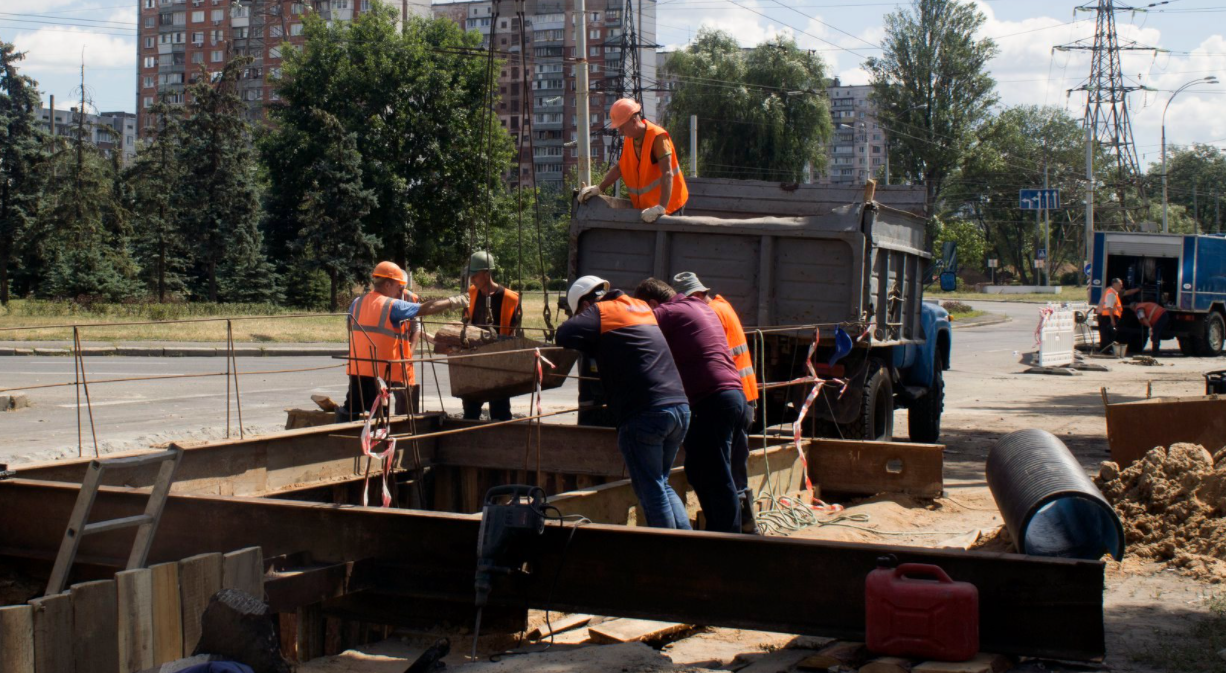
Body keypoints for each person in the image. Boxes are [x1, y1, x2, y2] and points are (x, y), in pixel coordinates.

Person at [556, 275, 692, 529]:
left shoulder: (601, 311)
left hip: (645, 414)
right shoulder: (639, 306)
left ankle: (670, 556)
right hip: (679, 408)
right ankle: (689, 545)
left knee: (651, 489)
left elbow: (563, 335)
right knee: (661, 482)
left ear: (585, 305)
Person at [633, 277, 747, 534]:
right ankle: (717, 531)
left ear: (652, 302)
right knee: (698, 469)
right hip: (730, 397)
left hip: (713, 399)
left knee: (717, 474)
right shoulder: (699, 307)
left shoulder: (667, 311)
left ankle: (730, 540)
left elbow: (634, 326)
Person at [672, 271, 760, 534]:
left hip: (725, 398)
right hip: (742, 397)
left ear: (695, 296)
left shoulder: (709, 313)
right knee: (733, 468)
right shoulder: (723, 306)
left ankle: (728, 531)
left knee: (720, 471)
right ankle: (745, 526)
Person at [337, 261, 468, 423]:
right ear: (387, 284)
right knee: (383, 409)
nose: (400, 292)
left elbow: (350, 327)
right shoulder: (392, 305)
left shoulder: (358, 302)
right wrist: (454, 302)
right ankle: (385, 439)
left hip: (359, 365)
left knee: (353, 406)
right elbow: (425, 309)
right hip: (382, 367)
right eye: (398, 287)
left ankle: (341, 437)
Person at [576, 98, 688, 223]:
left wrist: (661, 208)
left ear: (634, 121)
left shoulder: (658, 138)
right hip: (648, 210)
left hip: (669, 206)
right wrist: (599, 188)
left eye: (622, 127)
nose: (620, 132)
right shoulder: (630, 139)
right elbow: (620, 168)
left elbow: (667, 174)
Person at [461, 251, 522, 421]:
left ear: (487, 273)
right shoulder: (472, 293)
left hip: (498, 359)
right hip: (474, 357)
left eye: (475, 275)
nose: (472, 279)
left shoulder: (510, 298)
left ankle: (502, 441)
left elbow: (514, 331)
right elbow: (465, 320)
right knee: (471, 408)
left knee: (500, 409)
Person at [1097, 278, 1139, 349]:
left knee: (1107, 334)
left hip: (1105, 315)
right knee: (1107, 334)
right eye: (1120, 285)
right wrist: (1112, 320)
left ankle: (1106, 349)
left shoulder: (1113, 292)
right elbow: (1109, 308)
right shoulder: (1111, 294)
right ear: (1114, 284)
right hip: (1106, 316)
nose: (1121, 286)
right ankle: (1106, 350)